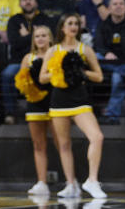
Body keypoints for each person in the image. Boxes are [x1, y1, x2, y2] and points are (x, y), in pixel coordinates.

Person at [39, 13, 106, 199]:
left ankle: (92, 180)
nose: (73, 26)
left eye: (76, 23)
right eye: (70, 23)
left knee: (97, 137)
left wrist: (80, 72)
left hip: (80, 100)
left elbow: (99, 76)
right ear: (62, 27)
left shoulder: (85, 49)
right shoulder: (53, 51)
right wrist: (59, 72)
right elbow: (42, 77)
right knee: (64, 144)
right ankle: (71, 184)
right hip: (59, 101)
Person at [18, 25, 55, 196]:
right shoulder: (28, 58)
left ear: (50, 38)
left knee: (62, 144)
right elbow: (21, 83)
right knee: (39, 144)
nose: (40, 39)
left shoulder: (56, 54)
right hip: (34, 103)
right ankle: (42, 182)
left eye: (43, 35)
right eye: (37, 36)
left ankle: (71, 182)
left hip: (55, 102)